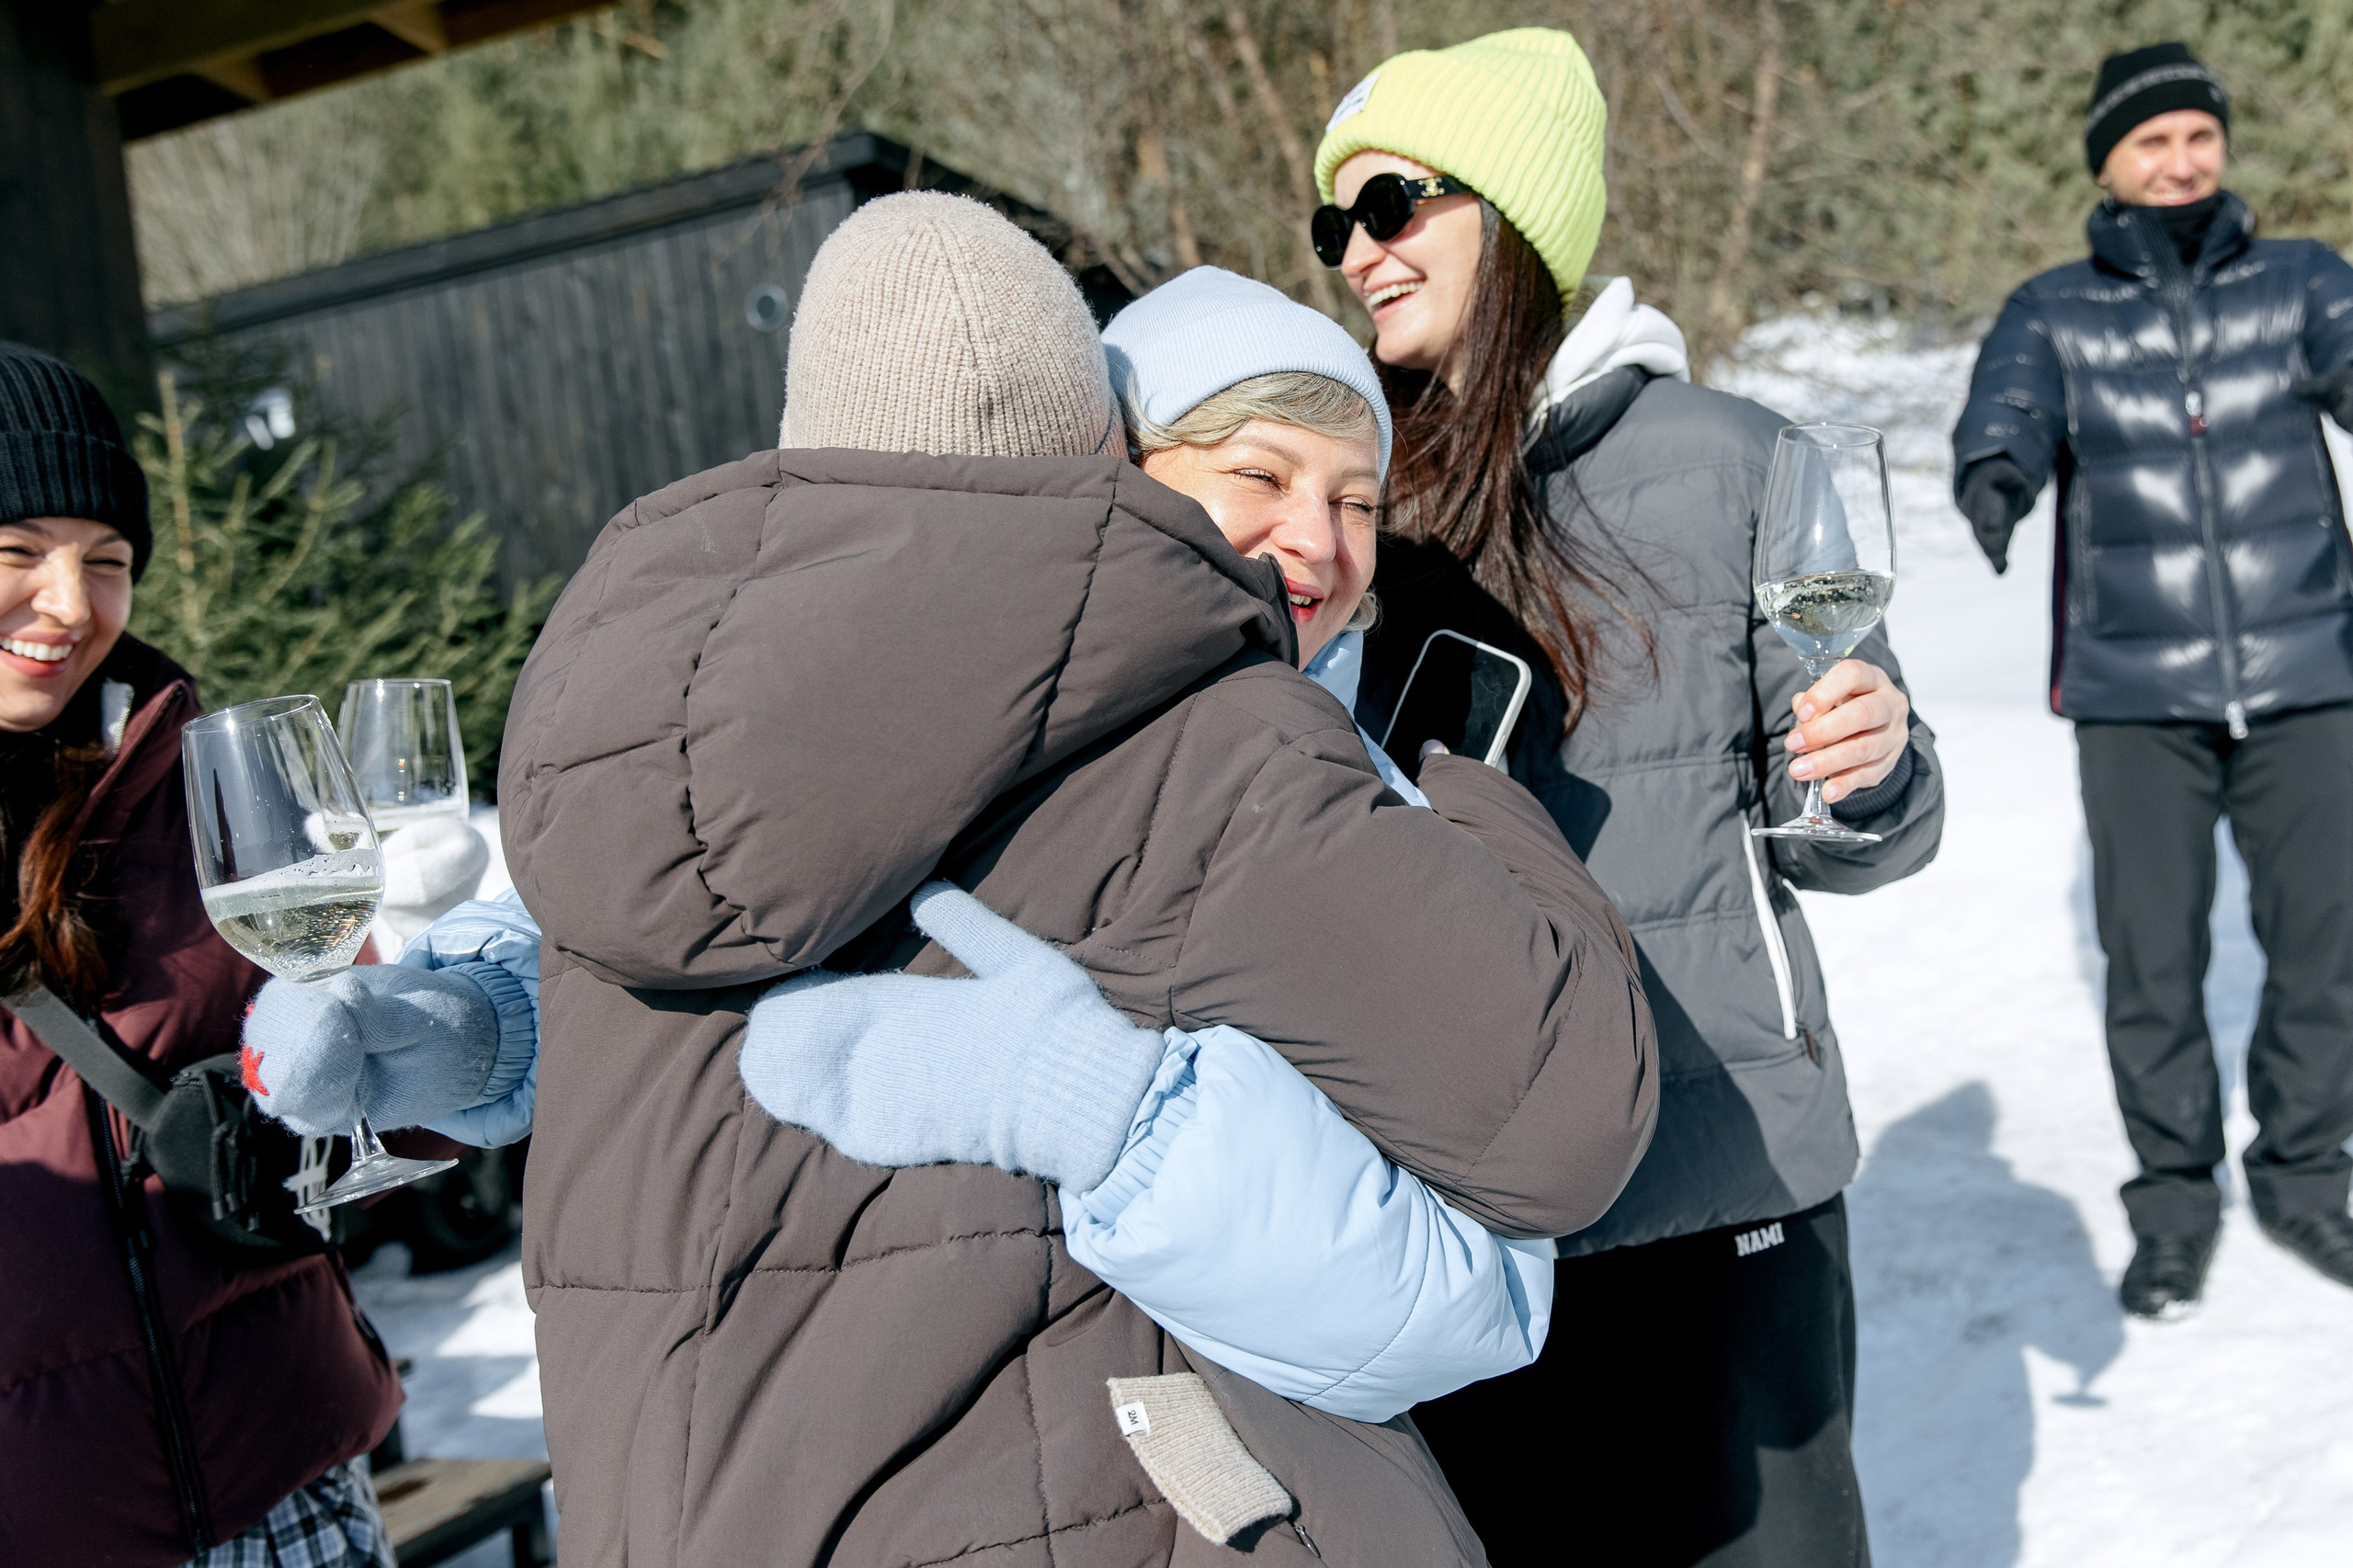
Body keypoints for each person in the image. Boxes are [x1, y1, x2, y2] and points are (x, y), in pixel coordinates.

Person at [256, 194, 1656, 1565]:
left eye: (1358, 496)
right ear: (1113, 459)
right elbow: (1555, 1128)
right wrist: (1480, 798)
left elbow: (737, 939)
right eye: (1257, 473)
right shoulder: (1199, 745)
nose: (1320, 541)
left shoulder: (629, 722)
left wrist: (494, 1016)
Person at [1311, 28, 1946, 1566]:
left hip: (1726, 1176)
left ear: (1514, 211)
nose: (1359, 255)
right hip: (1480, 1206)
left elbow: (1877, 815)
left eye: (1393, 203)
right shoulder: (1351, 503)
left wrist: (1875, 765)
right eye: (1335, 225)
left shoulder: (1747, 463)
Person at [1952, 42, 2353, 1316]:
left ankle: (2303, 1172)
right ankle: (2174, 1204)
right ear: (2109, 163)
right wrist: (1995, 479)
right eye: (2152, 141)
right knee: (2154, 961)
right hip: (2135, 696)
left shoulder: (2301, 282)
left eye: (2199, 136)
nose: (2180, 161)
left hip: (2308, 668)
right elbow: (2002, 414)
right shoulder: (2054, 309)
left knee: (2326, 946)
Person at [0, 343, 402, 1567]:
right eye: (18, 553)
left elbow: (362, 1055)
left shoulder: (194, 781)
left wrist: (399, 1060)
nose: (74, 604)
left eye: (109, 563)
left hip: (288, 1488)